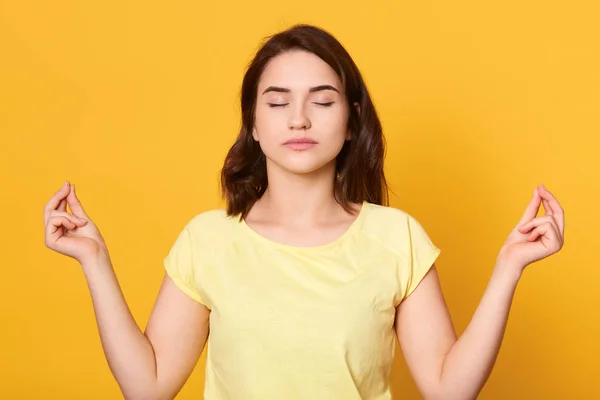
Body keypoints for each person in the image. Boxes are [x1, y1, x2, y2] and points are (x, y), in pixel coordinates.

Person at [43, 24, 565, 400]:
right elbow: (146, 386)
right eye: (276, 102)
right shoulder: (207, 241)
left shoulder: (396, 237)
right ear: (252, 122)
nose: (298, 118)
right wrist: (94, 259)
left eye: (321, 100)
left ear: (351, 119)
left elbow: (450, 390)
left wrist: (508, 268)